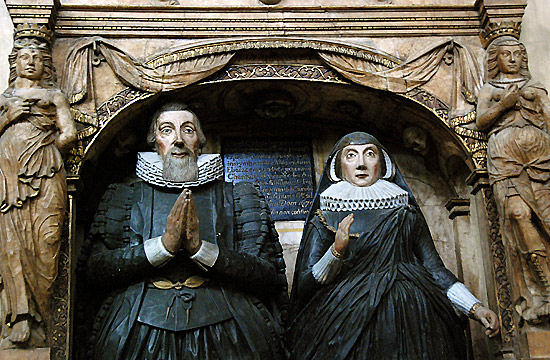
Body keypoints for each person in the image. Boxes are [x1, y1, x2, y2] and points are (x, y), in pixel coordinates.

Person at [83, 102, 287, 359]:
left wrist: (201, 250)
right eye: (167, 130)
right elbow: (96, 270)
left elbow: (266, 275)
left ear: (199, 142)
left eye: (187, 130)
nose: (178, 140)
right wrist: (162, 248)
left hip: (226, 330)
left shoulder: (238, 195)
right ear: (155, 142)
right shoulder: (123, 196)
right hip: (140, 328)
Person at [288, 132, 499, 360]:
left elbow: (435, 270)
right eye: (351, 156)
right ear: (338, 167)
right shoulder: (324, 216)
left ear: (383, 163)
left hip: (412, 314)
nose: (361, 163)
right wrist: (335, 252)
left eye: (370, 154)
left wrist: (475, 308)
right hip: (346, 315)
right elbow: (305, 285)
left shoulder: (405, 212)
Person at [0, 25, 76, 348]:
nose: (30, 62)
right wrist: (8, 118)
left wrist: (45, 151)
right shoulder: (4, 100)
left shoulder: (54, 96)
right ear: (15, 61)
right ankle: (20, 317)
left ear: (45, 63)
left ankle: (42, 316)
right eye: (24, 56)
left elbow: (69, 133)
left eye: (36, 57)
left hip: (46, 173)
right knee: (11, 243)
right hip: (9, 177)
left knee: (47, 242)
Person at [477, 35, 550, 322]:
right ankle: (543, 290)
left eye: (516, 54)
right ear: (495, 60)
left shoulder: (535, 86)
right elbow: (482, 121)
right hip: (504, 160)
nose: (512, 59)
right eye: (505, 55)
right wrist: (504, 105)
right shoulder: (489, 89)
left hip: (540, 158)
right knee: (517, 214)